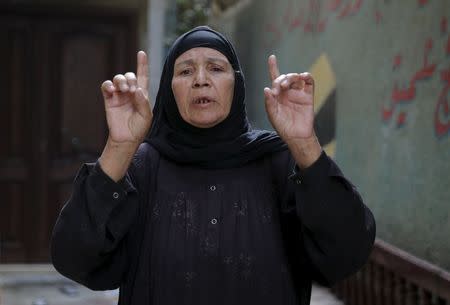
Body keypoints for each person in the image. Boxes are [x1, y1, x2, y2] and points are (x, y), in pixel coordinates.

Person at [51, 26, 376, 305]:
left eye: (216, 69)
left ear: (237, 86)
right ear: (169, 89)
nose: (201, 80)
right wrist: (119, 147)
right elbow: (75, 258)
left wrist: (304, 143)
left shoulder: (278, 162)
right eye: (185, 71)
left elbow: (346, 252)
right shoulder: (141, 167)